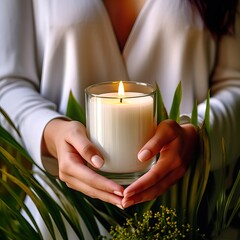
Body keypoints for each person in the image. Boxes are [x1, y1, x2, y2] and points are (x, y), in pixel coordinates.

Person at [1, 0, 240, 238]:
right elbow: (8, 83)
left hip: (188, 211)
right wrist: (52, 135)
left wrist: (197, 133)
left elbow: (234, 82)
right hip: (67, 217)